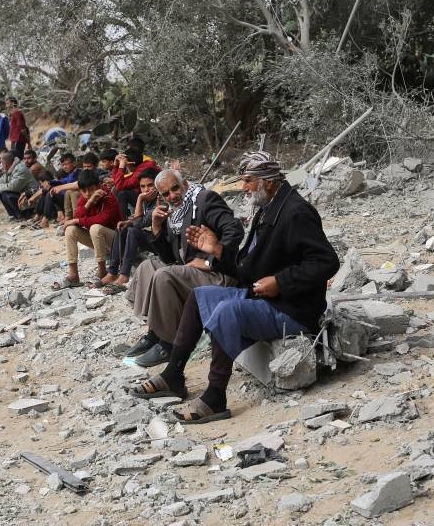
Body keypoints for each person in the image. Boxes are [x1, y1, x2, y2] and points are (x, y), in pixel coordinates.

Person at [131, 151, 339, 424]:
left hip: (293, 308)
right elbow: (247, 268)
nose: (244, 187)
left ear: (268, 180)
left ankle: (215, 396)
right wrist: (217, 250)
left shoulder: (296, 212)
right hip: (265, 297)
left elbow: (327, 262)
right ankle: (173, 374)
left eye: (249, 181)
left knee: (229, 312)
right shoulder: (267, 209)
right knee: (199, 296)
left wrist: (281, 282)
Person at [124, 168, 244, 367]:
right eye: (166, 194)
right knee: (147, 267)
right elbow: (170, 257)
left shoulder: (205, 200)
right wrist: (156, 228)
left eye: (175, 189)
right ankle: (154, 332)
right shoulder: (174, 214)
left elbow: (234, 229)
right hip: (189, 270)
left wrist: (209, 260)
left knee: (164, 276)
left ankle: (170, 343)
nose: (172, 196)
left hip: (217, 274)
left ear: (185, 185)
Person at [53, 169, 122, 289]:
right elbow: (78, 216)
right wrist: (89, 202)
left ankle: (101, 271)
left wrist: (76, 220)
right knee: (70, 230)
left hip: (117, 242)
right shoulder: (85, 199)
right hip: (99, 242)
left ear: (98, 186)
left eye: (91, 189)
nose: (88, 193)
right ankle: (73, 274)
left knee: (95, 228)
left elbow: (102, 220)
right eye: (84, 191)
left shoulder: (108, 198)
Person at [100, 168, 161, 293]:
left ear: (157, 185)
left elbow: (139, 223)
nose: (146, 190)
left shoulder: (161, 199)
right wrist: (128, 221)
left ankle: (124, 275)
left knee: (133, 231)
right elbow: (141, 218)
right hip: (154, 237)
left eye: (150, 185)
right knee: (122, 228)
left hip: (163, 243)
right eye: (142, 186)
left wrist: (139, 199)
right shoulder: (149, 200)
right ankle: (112, 272)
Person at [112, 146, 158, 217]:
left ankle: (122, 220)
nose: (126, 166)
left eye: (126, 164)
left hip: (151, 199)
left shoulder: (140, 173)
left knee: (122, 194)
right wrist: (116, 165)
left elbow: (119, 186)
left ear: (130, 163)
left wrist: (121, 167)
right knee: (117, 190)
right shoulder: (143, 166)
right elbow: (117, 182)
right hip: (146, 196)